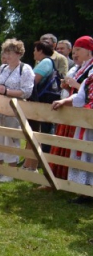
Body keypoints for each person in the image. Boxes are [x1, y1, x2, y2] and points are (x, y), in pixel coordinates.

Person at [0, 39, 34, 182]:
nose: (7, 55)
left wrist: (7, 91)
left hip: (14, 109)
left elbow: (26, 92)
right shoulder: (3, 68)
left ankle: (10, 172)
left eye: (10, 52)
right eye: (5, 52)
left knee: (11, 139)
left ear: (19, 53)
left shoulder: (25, 69)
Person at [50, 36, 93, 184]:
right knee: (81, 149)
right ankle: (80, 187)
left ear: (89, 51)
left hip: (87, 116)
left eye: (78, 50)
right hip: (81, 116)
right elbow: (81, 96)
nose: (75, 54)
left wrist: (74, 85)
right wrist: (63, 101)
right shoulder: (82, 71)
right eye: (74, 51)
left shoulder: (90, 69)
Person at [22, 40, 61, 170]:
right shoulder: (48, 62)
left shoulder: (45, 62)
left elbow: (34, 81)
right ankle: (29, 164)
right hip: (42, 103)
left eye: (35, 50)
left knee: (35, 133)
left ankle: (32, 165)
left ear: (40, 51)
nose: (33, 52)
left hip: (41, 104)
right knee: (34, 133)